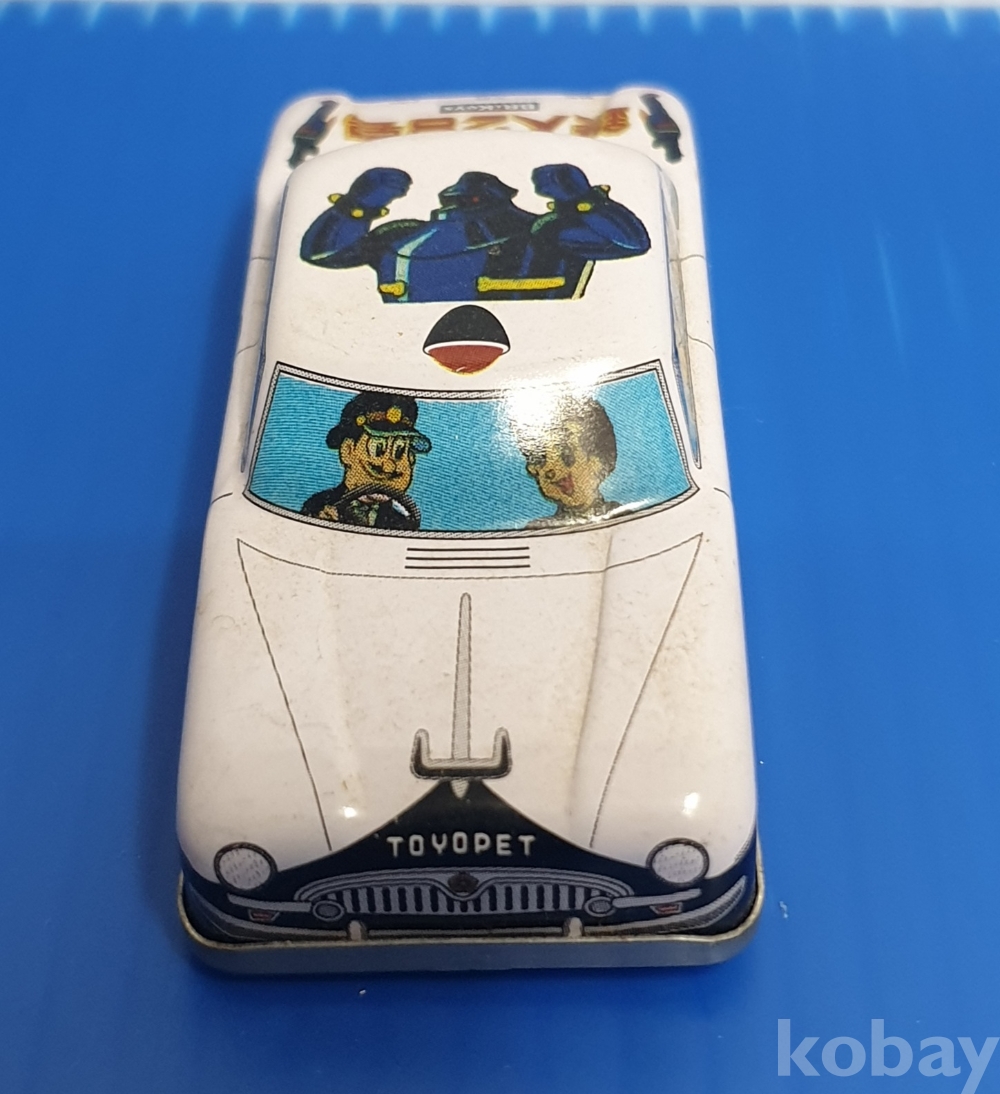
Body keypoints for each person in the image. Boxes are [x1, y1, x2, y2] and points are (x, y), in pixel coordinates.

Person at [299, 163, 650, 303]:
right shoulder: (399, 239)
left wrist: (581, 200)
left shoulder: (545, 234)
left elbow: (631, 243)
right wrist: (356, 205)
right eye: (461, 199)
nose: (467, 204)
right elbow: (321, 254)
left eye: (476, 200)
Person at [301, 391, 431, 530]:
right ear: (348, 450)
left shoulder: (402, 521)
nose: (388, 467)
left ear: (410, 459)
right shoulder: (320, 506)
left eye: (399, 452)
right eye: (377, 449)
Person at [518, 396, 619, 527]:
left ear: (598, 459)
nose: (551, 468)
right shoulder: (540, 529)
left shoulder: (621, 515)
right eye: (540, 458)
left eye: (566, 453)